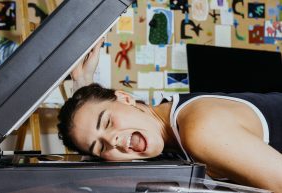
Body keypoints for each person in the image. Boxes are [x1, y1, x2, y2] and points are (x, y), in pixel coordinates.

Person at [57, 38, 282, 192]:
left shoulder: (200, 131)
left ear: (126, 98)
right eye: (101, 148)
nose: (112, 140)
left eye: (106, 122)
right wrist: (82, 84)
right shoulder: (166, 126)